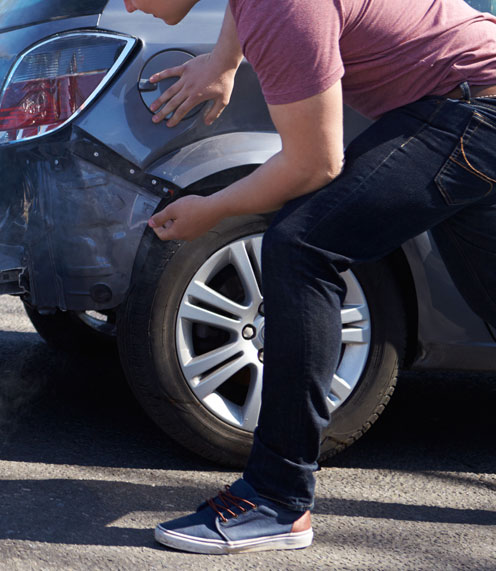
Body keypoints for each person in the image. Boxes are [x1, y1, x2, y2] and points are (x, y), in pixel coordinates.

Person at [124, 0, 496, 554]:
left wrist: (213, 209)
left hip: (467, 107)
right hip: (469, 98)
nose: (129, 3)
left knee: (302, 245)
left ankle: (277, 498)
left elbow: (314, 164)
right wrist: (225, 59)